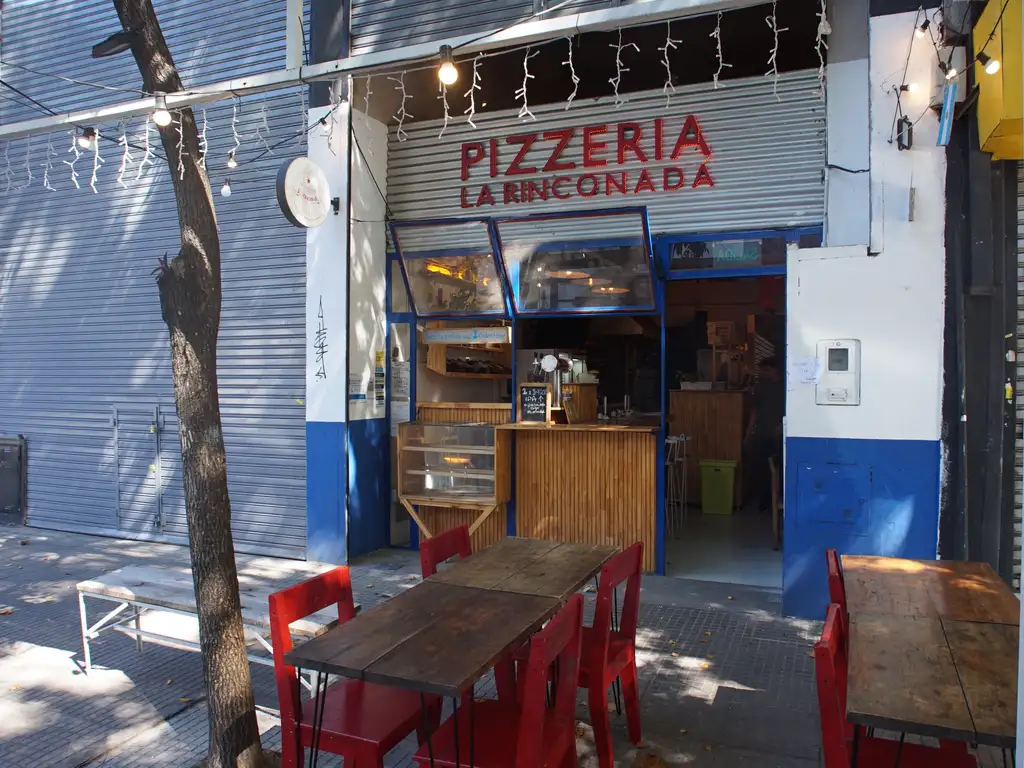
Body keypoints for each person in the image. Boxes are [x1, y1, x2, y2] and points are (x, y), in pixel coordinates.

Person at [744, 356, 784, 510]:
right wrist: (748, 433)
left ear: (776, 370)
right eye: (762, 370)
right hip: (761, 432)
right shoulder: (759, 387)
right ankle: (765, 500)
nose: (764, 373)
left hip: (779, 433)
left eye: (767, 370)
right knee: (761, 468)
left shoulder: (785, 387)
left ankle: (780, 499)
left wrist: (782, 425)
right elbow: (754, 412)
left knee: (780, 467)